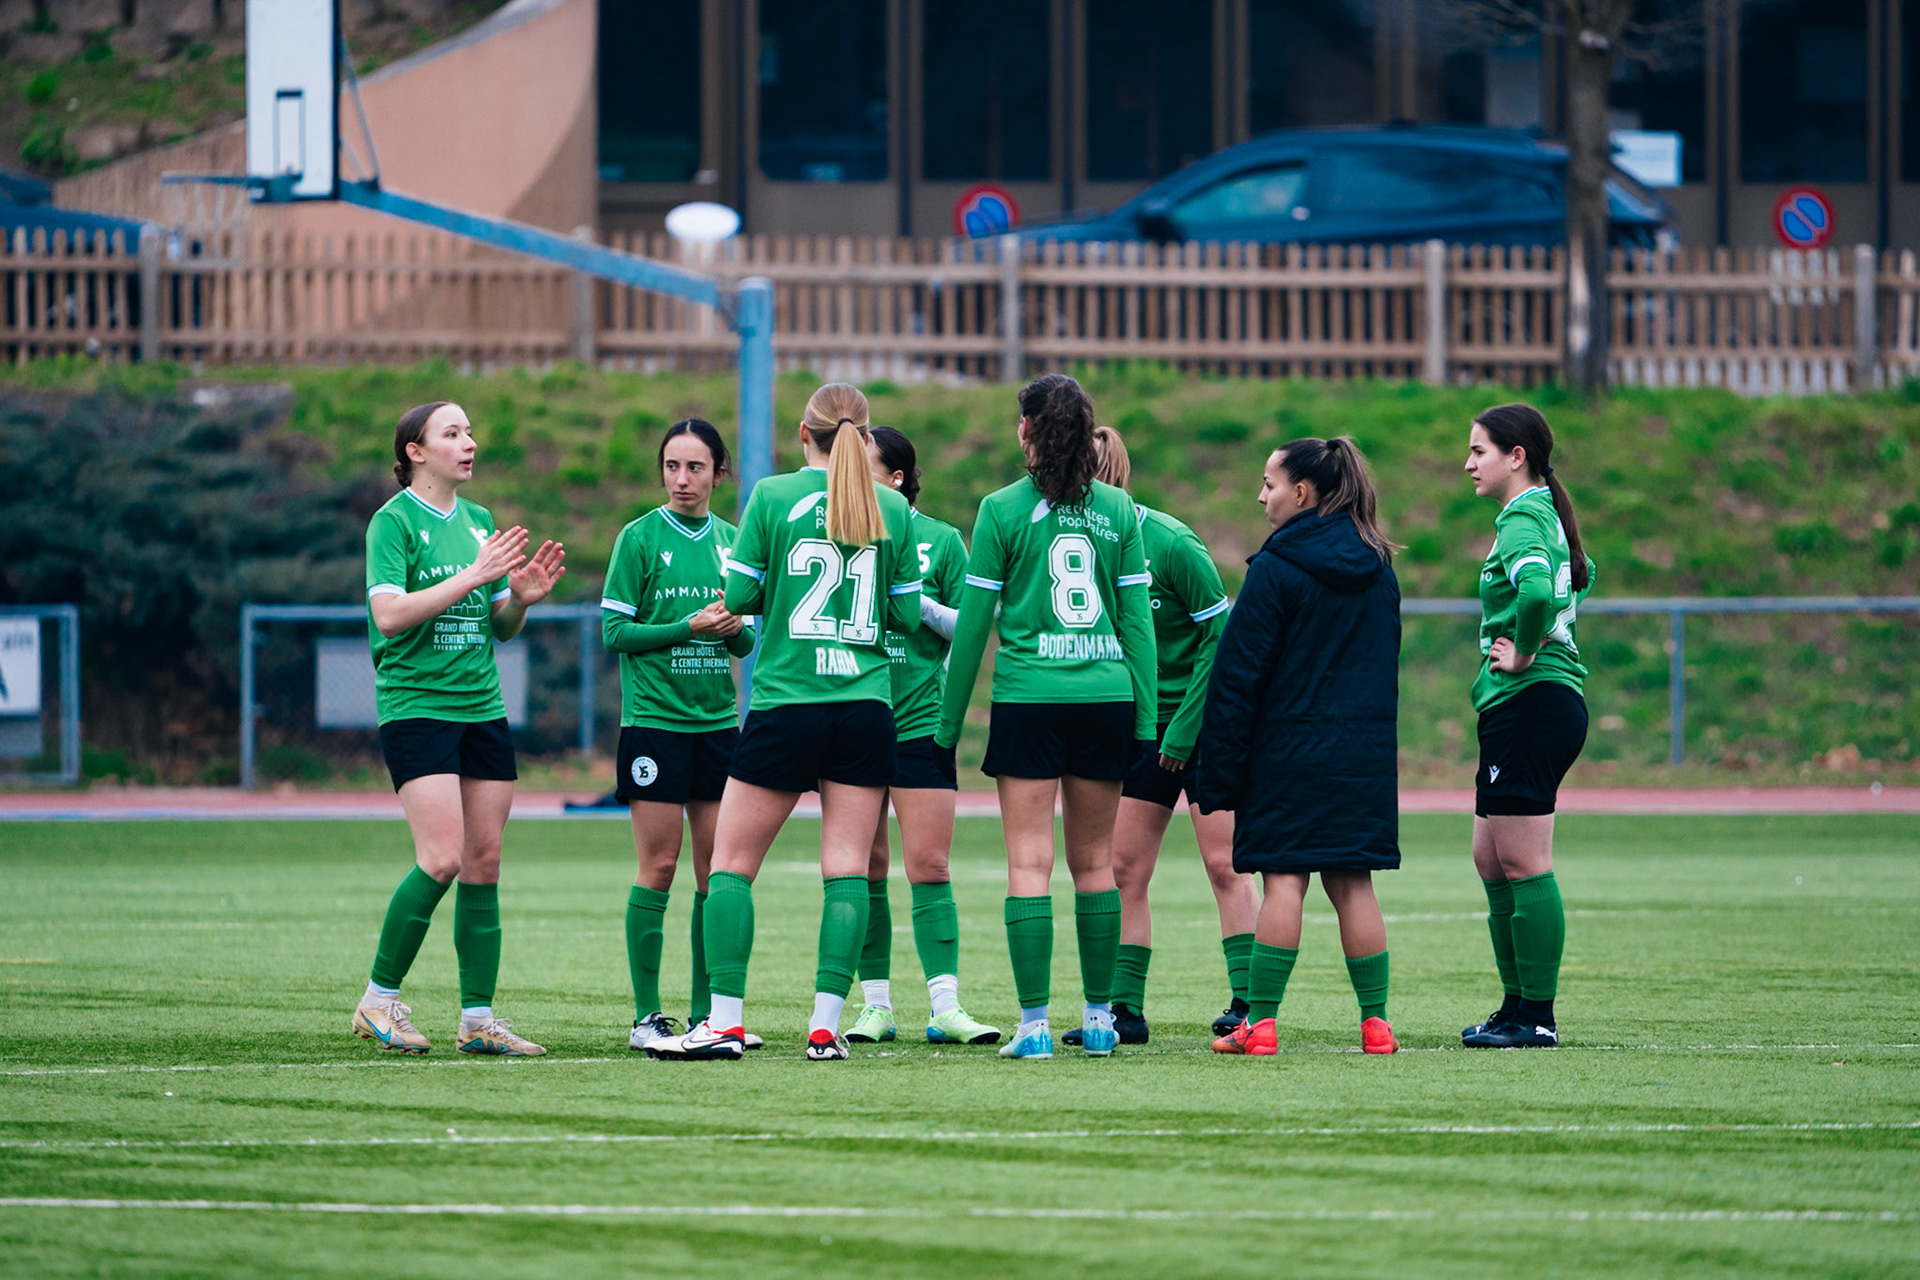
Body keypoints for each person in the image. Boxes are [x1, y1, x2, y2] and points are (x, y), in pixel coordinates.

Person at [658, 383, 921, 1062]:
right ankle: (827, 1025)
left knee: (731, 867)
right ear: (865, 442)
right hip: (864, 707)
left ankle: (722, 1020)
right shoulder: (892, 505)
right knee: (848, 871)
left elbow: (741, 595)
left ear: (803, 435)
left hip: (787, 702)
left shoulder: (772, 497)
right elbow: (909, 616)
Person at [936, 374, 1157, 1060]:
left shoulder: (1001, 509)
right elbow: (1136, 628)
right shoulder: (1118, 510)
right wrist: (1146, 723)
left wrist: (945, 728)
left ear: (1028, 430)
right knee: (1093, 868)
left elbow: (972, 629)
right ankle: (1098, 1021)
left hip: (1030, 700)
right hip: (1104, 700)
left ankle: (1033, 1027)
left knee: (1028, 866)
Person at [352, 400, 566, 1057]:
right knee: (441, 857)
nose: (468, 442)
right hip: (418, 706)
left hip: (482, 707)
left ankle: (478, 1021)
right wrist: (475, 576)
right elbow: (390, 616)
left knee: (483, 863)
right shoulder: (392, 524)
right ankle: (377, 1001)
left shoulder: (478, 521)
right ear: (416, 451)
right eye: (452, 433)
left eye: (470, 431)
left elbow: (496, 626)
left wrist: (519, 601)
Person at [1195, 437, 1402, 1058]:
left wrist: (1219, 769)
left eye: (1269, 484)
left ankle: (1259, 1027)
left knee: (1284, 883)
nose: (1261, 496)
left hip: (1287, 753)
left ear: (1302, 493)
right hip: (1360, 754)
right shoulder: (1380, 567)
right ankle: (1376, 1025)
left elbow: (1237, 677)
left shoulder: (1275, 569)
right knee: (1355, 885)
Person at [1074, 425, 1256, 1048]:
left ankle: (1248, 1003)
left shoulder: (1170, 540)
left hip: (1201, 723)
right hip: (1137, 727)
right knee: (1125, 869)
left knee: (1225, 863)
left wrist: (1183, 727)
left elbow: (1220, 638)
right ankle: (1124, 1010)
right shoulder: (1075, 546)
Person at [600, 418, 760, 1055]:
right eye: (672, 466)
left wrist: (730, 630)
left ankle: (705, 1015)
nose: (682, 480)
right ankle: (646, 1016)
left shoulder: (733, 540)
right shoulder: (639, 539)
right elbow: (616, 634)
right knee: (659, 867)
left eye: (695, 467)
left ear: (719, 473)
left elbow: (748, 639)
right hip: (654, 727)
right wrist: (686, 627)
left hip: (718, 726)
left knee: (714, 870)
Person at [843, 425, 1002, 1047]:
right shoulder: (840, 533)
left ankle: (946, 1007)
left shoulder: (941, 540)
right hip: (856, 717)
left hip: (918, 722)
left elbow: (971, 624)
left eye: (866, 467)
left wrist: (912, 604)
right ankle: (875, 1007)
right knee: (866, 868)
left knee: (930, 865)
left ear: (898, 477)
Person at [1459, 403, 1594, 1049]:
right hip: (1523, 705)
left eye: (1480, 450)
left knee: (1521, 858)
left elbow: (1538, 596)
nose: (1469, 463)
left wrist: (1526, 647)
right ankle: (1514, 1006)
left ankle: (1536, 1015)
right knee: (1491, 857)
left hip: (1534, 700)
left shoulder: (1522, 517)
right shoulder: (1542, 513)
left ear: (1517, 456)